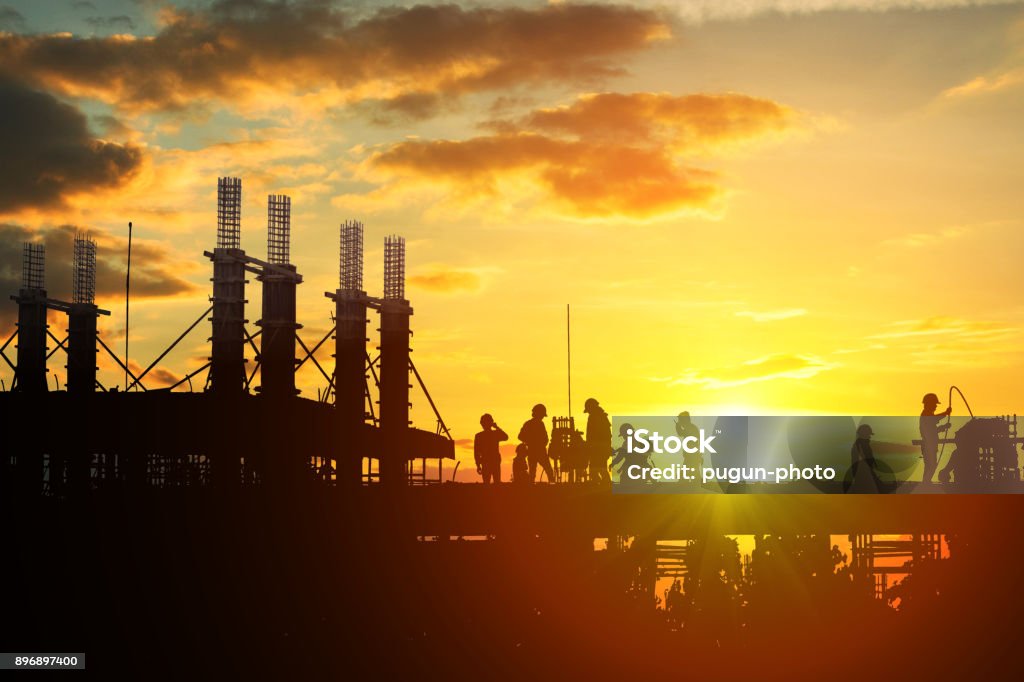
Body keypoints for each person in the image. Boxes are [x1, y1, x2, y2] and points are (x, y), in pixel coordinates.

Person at [919, 393, 951, 484]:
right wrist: (946, 413)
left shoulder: (927, 415)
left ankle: (926, 482)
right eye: (934, 404)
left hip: (930, 445)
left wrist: (943, 427)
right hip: (929, 445)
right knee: (931, 465)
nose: (935, 407)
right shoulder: (926, 414)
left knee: (930, 465)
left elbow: (932, 430)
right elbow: (934, 420)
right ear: (929, 404)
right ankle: (926, 483)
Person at [519, 404, 554, 483]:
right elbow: (520, 436)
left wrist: (541, 443)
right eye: (542, 415)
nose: (542, 417)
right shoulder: (530, 424)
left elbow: (545, 438)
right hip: (535, 451)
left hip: (538, 450)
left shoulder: (538, 424)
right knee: (537, 471)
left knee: (547, 470)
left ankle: (551, 485)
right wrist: (531, 442)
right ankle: (533, 488)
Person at [474, 413, 508, 484]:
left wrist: (497, 427)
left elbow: (506, 437)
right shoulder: (481, 436)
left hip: (492, 461)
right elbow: (476, 452)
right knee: (492, 483)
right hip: (487, 461)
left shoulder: (493, 434)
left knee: (494, 483)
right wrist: (478, 465)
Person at [584, 398, 612, 484]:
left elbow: (594, 435)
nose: (588, 412)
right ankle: (604, 485)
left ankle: (603, 486)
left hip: (598, 449)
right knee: (599, 468)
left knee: (596, 469)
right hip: (601, 448)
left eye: (589, 410)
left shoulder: (595, 417)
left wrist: (591, 446)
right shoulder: (601, 416)